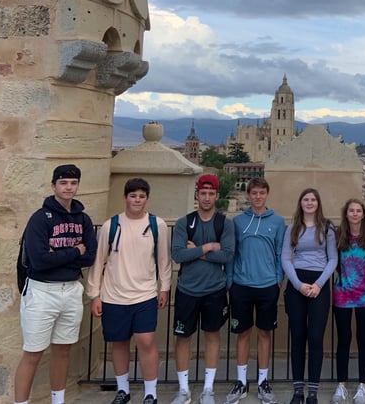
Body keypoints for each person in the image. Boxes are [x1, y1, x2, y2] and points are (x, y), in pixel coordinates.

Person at [14, 164, 98, 404]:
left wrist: (59, 253)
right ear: (54, 186)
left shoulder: (83, 219)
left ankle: (57, 401)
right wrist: (74, 250)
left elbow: (89, 256)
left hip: (70, 289)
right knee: (33, 353)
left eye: (73, 183)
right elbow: (40, 261)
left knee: (63, 350)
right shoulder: (40, 219)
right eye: (63, 183)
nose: (68, 187)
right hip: (42, 291)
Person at [86, 178, 172, 404]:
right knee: (120, 342)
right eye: (133, 196)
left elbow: (163, 260)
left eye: (141, 196)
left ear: (147, 199)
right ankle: (122, 390)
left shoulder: (157, 225)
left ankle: (150, 392)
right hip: (114, 295)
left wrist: (164, 287)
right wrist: (95, 294)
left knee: (146, 341)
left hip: (144, 294)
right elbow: (99, 261)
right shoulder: (110, 226)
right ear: (125, 198)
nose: (137, 200)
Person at [170, 174, 235, 404]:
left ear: (217, 196)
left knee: (212, 336)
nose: (206, 198)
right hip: (187, 289)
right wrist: (208, 247)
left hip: (214, 289)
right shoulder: (183, 223)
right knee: (183, 338)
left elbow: (227, 255)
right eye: (202, 193)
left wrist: (196, 251)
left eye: (211, 194)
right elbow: (178, 254)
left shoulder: (224, 224)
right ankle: (184, 389)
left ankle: (208, 388)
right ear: (196, 194)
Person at [224, 177, 285, 404]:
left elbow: (280, 252)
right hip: (241, 284)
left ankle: (262, 381)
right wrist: (230, 280)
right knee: (243, 333)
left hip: (268, 285)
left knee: (264, 333)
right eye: (254, 193)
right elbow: (232, 252)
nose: (258, 197)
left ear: (267, 194)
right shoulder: (237, 221)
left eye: (261, 193)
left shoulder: (277, 222)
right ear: (248, 195)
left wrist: (278, 278)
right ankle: (241, 381)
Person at [282, 189, 338, 404]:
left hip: (319, 283)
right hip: (298, 283)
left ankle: (313, 391)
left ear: (318, 203)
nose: (309, 202)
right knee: (298, 337)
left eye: (313, 199)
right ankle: (298, 390)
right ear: (300, 203)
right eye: (306, 199)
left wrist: (318, 284)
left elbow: (332, 259)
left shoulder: (327, 228)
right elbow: (285, 258)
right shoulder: (293, 228)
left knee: (315, 337)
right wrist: (298, 284)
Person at [331, 199, 365, 404]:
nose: (355, 214)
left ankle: (362, 386)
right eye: (352, 210)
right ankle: (341, 385)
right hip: (342, 294)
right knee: (343, 339)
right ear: (346, 213)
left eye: (359, 210)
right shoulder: (338, 235)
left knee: (364, 339)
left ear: (364, 214)